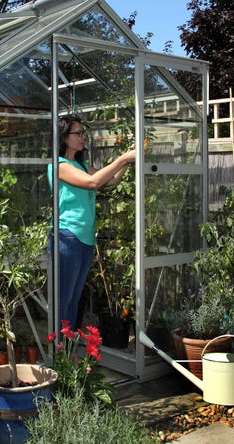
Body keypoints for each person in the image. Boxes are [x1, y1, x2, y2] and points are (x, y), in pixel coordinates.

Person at [48, 115, 136, 330]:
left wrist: (127, 160)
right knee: (64, 298)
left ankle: (67, 350)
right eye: (78, 133)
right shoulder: (59, 165)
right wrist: (122, 159)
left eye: (82, 133)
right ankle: (61, 351)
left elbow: (111, 180)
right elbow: (93, 182)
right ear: (64, 137)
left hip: (85, 237)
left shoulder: (80, 164)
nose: (82, 136)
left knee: (74, 297)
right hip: (66, 236)